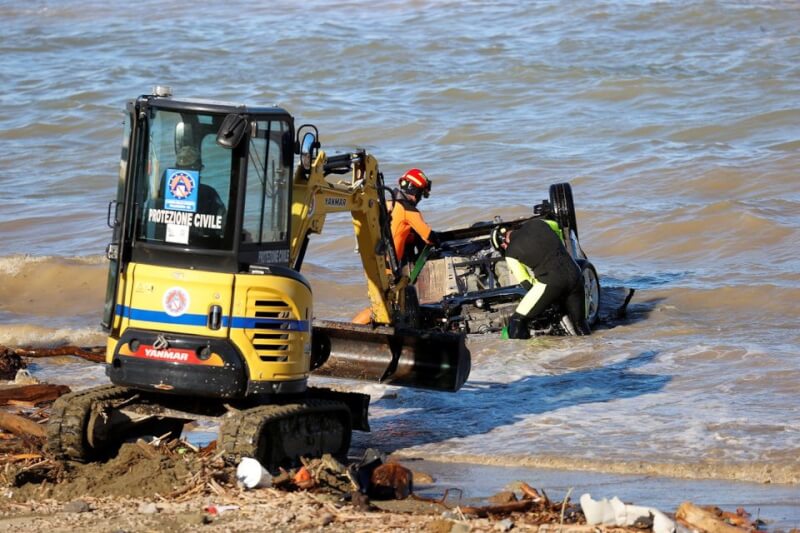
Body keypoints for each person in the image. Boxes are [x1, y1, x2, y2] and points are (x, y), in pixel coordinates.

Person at [352, 168, 438, 324]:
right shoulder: (409, 210)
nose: (419, 198)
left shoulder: (387, 204)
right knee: (381, 308)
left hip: (372, 262)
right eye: (420, 194)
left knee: (384, 307)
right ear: (415, 190)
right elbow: (429, 237)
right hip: (386, 267)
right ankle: (350, 329)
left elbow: (393, 230)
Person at [490, 218, 591, 339]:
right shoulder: (538, 223)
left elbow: (526, 283)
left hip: (552, 282)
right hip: (575, 275)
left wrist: (546, 300)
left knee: (516, 321)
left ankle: (525, 356)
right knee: (580, 323)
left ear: (503, 244)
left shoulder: (510, 253)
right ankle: (591, 351)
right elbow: (557, 226)